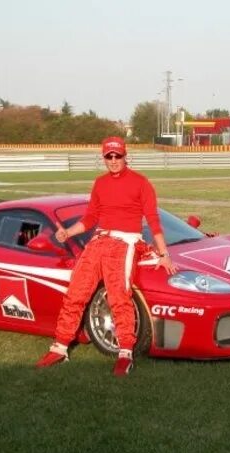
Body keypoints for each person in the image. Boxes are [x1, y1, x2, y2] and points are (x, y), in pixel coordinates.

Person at [36, 136, 177, 376]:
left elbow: (153, 221)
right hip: (99, 241)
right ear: (103, 157)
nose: (113, 160)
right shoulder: (100, 183)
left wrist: (164, 253)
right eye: (108, 156)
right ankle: (60, 346)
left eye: (117, 156)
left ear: (125, 156)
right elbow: (90, 218)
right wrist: (68, 233)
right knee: (75, 293)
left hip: (124, 244)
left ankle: (125, 352)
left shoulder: (141, 183)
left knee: (119, 297)